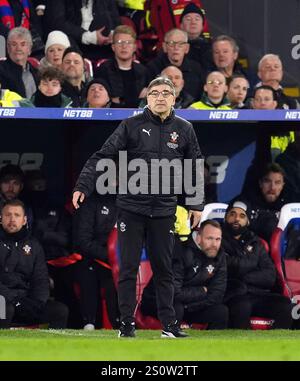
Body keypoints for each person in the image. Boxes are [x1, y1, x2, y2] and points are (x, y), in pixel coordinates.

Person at [72, 76, 204, 338]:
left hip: (165, 210)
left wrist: (196, 203)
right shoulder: (130, 125)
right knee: (128, 268)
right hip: (131, 209)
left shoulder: (185, 128)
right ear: (147, 97)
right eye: (155, 93)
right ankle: (126, 324)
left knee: (165, 270)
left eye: (166, 93)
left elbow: (195, 165)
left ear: (174, 98)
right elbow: (103, 155)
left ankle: (169, 325)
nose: (160, 97)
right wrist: (83, 185)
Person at [142, 220, 228, 329]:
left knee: (220, 312)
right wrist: (201, 291)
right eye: (209, 238)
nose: (214, 244)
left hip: (189, 305)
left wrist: (189, 307)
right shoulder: (181, 251)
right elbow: (173, 292)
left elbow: (217, 293)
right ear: (198, 237)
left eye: (218, 239)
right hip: (158, 300)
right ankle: (169, 344)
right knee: (176, 308)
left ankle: (210, 345)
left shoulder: (219, 256)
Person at [222, 200, 292, 329]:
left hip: (259, 294)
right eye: (232, 214)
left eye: (242, 216)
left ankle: (277, 347)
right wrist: (253, 264)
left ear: (248, 221)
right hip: (235, 295)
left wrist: (243, 277)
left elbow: (270, 276)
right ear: (226, 217)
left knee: (285, 305)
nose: (236, 218)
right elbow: (228, 267)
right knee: (242, 307)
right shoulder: (218, 239)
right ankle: (240, 347)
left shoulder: (256, 242)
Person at [0, 199, 69, 329]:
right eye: (8, 215)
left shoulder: (34, 246)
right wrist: (15, 300)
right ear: (1, 218)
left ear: (24, 220)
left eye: (17, 215)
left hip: (26, 301)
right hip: (5, 300)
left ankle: (52, 348)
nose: (12, 219)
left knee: (59, 311)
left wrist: (37, 302)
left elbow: (41, 279)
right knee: (5, 310)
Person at [72, 191, 119, 330]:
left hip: (122, 260)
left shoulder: (129, 202)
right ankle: (89, 323)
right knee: (88, 274)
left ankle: (122, 323)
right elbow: (83, 241)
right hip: (94, 258)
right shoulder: (91, 202)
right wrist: (110, 256)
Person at [44, 0, 120, 61]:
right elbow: (57, 23)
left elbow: (115, 20)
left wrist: (112, 33)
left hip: (104, 46)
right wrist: (88, 37)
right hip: (75, 45)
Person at [94, 25, 148, 108]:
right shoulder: (103, 69)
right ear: (113, 47)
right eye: (120, 42)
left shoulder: (143, 71)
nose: (124, 46)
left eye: (128, 42)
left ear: (134, 47)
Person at [146, 28, 205, 100]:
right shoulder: (153, 68)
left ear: (187, 48)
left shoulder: (196, 69)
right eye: (171, 43)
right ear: (164, 47)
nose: (176, 48)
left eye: (180, 44)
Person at [236, 163, 288, 243]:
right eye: (267, 181)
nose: (272, 187)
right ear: (260, 183)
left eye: (277, 182)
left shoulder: (288, 208)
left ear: (282, 186)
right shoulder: (245, 204)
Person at [0, 27, 38, 98]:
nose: (18, 48)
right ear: (8, 48)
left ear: (29, 48)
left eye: (23, 44)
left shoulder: (37, 73)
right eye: (14, 44)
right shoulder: (1, 70)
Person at [179, 2, 213, 72]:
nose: (193, 22)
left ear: (202, 25)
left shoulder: (212, 47)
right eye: (188, 19)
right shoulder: (175, 47)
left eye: (197, 19)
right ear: (181, 25)